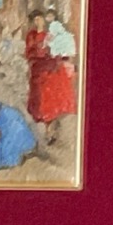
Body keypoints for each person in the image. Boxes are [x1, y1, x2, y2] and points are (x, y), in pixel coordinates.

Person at [25, 10, 75, 142]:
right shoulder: (31, 35)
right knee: (39, 101)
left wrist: (57, 54)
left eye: (40, 19)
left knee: (52, 100)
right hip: (38, 70)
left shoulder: (50, 33)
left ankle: (51, 129)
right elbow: (30, 53)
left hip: (51, 69)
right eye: (35, 20)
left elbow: (58, 49)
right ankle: (46, 130)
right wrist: (41, 49)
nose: (38, 22)